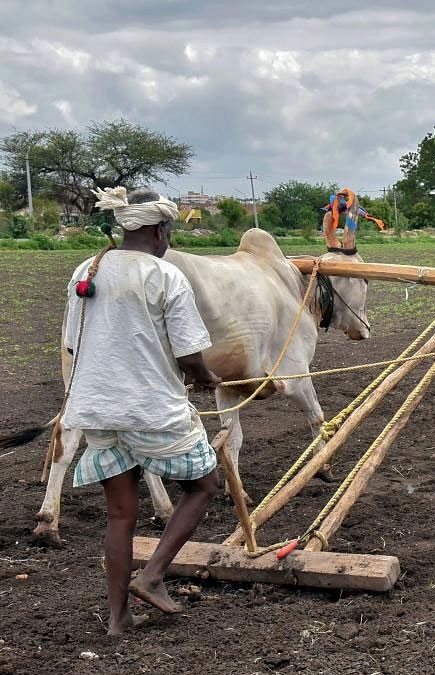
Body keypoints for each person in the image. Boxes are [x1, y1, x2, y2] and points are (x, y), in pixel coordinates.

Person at [63, 186, 222, 635]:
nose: (168, 236)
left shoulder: (87, 269)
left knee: (121, 515)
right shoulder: (164, 275)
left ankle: (117, 619)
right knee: (204, 485)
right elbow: (190, 354)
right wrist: (205, 379)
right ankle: (152, 576)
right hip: (152, 409)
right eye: (168, 228)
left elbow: (74, 342)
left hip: (97, 408)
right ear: (158, 229)